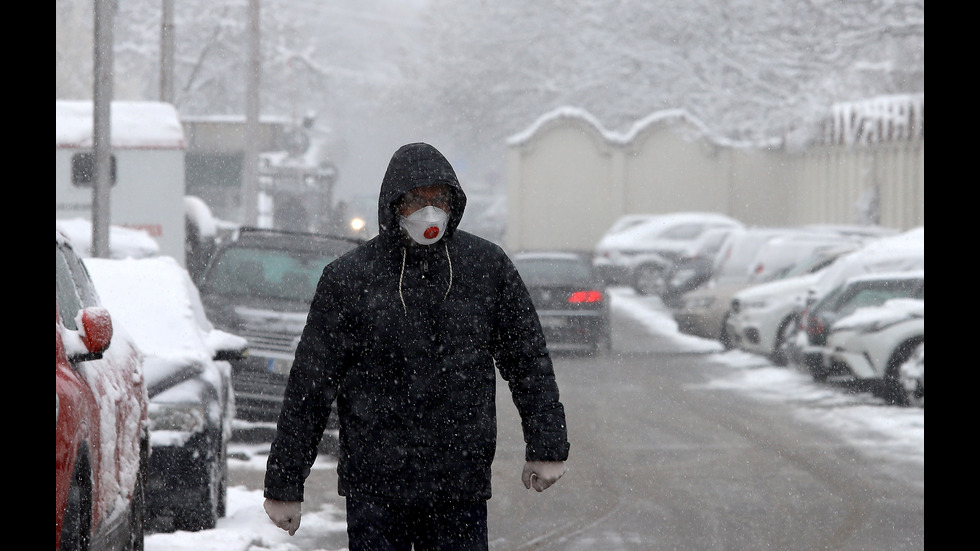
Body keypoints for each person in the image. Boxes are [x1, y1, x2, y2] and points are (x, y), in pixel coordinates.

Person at [263, 142, 570, 550]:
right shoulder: (350, 280)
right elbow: (310, 385)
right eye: (416, 200)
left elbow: (527, 360)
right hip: (375, 487)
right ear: (394, 205)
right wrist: (285, 482)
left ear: (453, 202)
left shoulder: (485, 269)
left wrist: (546, 444)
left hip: (458, 485)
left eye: (438, 198)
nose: (429, 212)